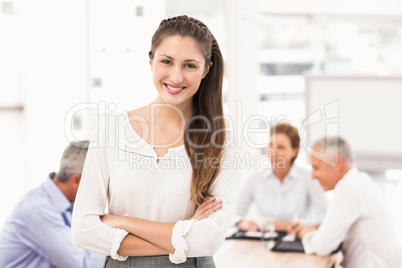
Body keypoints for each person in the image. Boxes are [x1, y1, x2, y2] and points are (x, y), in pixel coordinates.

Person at [71, 15, 240, 267]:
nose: (176, 76)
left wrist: (121, 221)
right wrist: (184, 231)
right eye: (166, 61)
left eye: (190, 65)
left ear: (206, 69)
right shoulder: (111, 130)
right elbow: (83, 231)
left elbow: (208, 241)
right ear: (151, 61)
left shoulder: (221, 141)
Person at [295, 136, 399, 268]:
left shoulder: (348, 188)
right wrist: (313, 228)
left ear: (336, 163)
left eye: (316, 168)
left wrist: (305, 233)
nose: (312, 176)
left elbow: (322, 246)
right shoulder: (360, 181)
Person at [0, 141, 105, 268]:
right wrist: (106, 225)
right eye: (99, 182)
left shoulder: (69, 204)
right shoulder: (37, 209)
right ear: (77, 180)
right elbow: (84, 265)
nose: (102, 190)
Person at [234, 123, 328, 233]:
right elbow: (235, 214)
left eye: (281, 147)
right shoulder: (255, 179)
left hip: (297, 242)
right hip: (265, 242)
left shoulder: (309, 178)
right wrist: (241, 223)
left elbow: (326, 216)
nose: (273, 152)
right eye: (270, 145)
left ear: (294, 151)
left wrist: (291, 225)